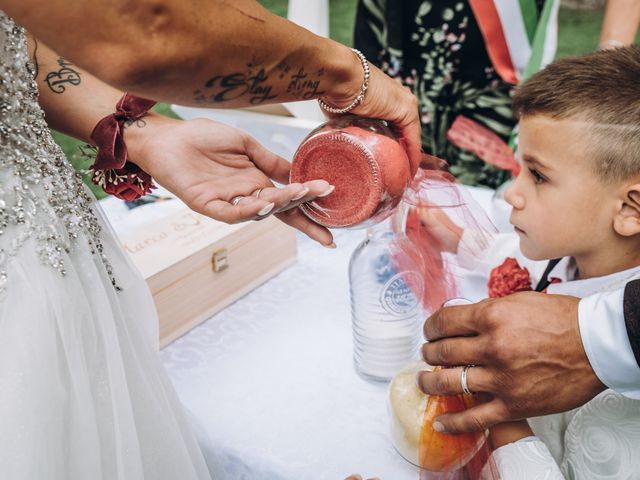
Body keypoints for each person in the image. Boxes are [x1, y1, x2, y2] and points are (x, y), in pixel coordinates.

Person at [0, 1, 416, 478]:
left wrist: (139, 132)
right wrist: (349, 74)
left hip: (56, 249)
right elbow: (142, 23)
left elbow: (15, 49)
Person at [417, 46, 640, 477]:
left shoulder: (622, 395)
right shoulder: (570, 250)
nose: (511, 194)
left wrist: (501, 417)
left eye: (538, 176)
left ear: (631, 210)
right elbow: (513, 257)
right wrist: (460, 241)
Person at [354, 0, 640, 189]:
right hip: (400, 28)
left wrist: (610, 59)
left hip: (492, 60)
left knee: (482, 205)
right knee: (383, 168)